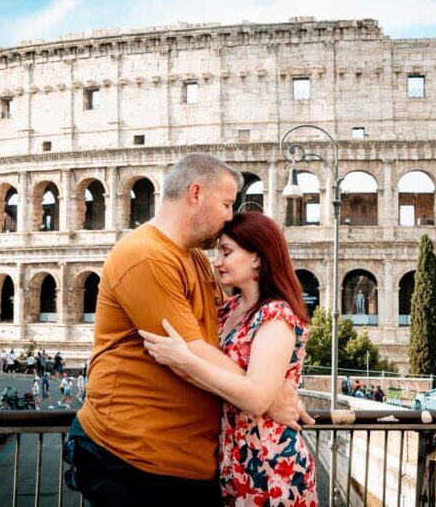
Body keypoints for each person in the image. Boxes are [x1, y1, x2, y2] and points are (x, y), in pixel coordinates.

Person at [68, 154, 310, 506]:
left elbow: (212, 343)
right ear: (196, 193)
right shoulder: (146, 255)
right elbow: (190, 352)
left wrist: (262, 389)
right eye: (226, 203)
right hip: (133, 460)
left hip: (190, 463)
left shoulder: (194, 257)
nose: (230, 215)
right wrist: (267, 396)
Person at [140, 211, 317, 504]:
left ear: (257, 257)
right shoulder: (227, 309)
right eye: (217, 252)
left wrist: (185, 360)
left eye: (226, 252)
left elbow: (257, 399)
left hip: (270, 464)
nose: (217, 262)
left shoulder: (276, 316)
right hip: (232, 459)